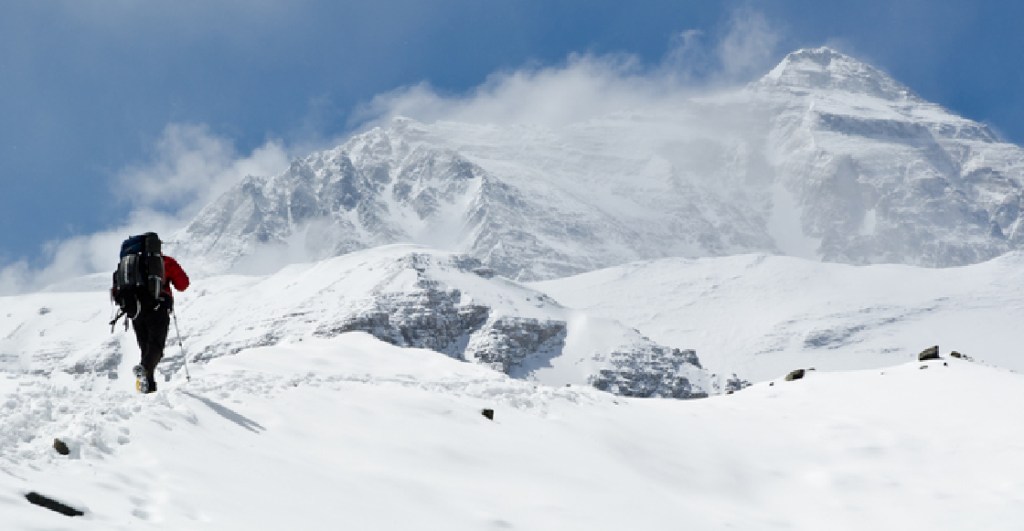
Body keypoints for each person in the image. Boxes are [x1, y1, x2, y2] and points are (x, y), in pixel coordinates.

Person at [111, 234, 190, 393]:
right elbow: (183, 284)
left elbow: (115, 291)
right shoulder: (164, 261)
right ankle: (145, 373)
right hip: (157, 308)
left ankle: (148, 387)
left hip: (136, 312)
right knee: (156, 347)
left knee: (146, 350)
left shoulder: (127, 265)